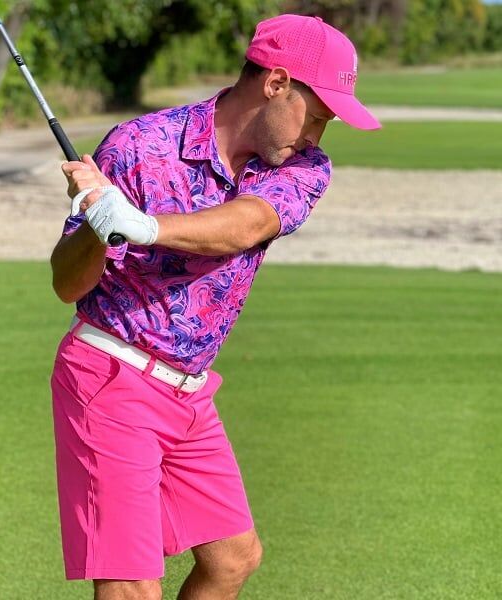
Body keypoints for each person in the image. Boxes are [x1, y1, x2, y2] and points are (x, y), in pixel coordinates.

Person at [50, 13, 380, 600]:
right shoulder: (139, 146)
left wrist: (144, 225)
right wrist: (99, 225)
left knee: (232, 560)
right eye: (317, 116)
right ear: (275, 83)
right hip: (110, 377)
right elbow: (67, 283)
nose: (317, 136)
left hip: (189, 391)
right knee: (132, 585)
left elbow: (246, 224)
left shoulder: (303, 167)